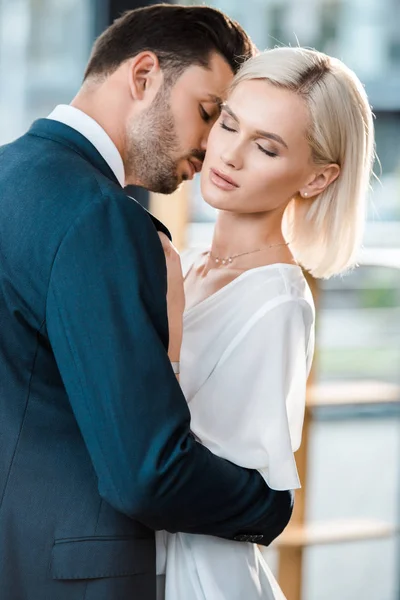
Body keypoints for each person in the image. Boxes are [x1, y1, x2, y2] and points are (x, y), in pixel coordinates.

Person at [0, 5, 297, 600]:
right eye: (209, 113)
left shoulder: (9, 173)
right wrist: (270, 509)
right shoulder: (104, 221)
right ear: (143, 76)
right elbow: (147, 474)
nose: (215, 146)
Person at [156, 46, 375, 599]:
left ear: (317, 178)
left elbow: (235, 488)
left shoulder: (277, 303)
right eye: (229, 124)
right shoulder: (187, 264)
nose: (229, 155)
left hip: (196, 576)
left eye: (267, 147)